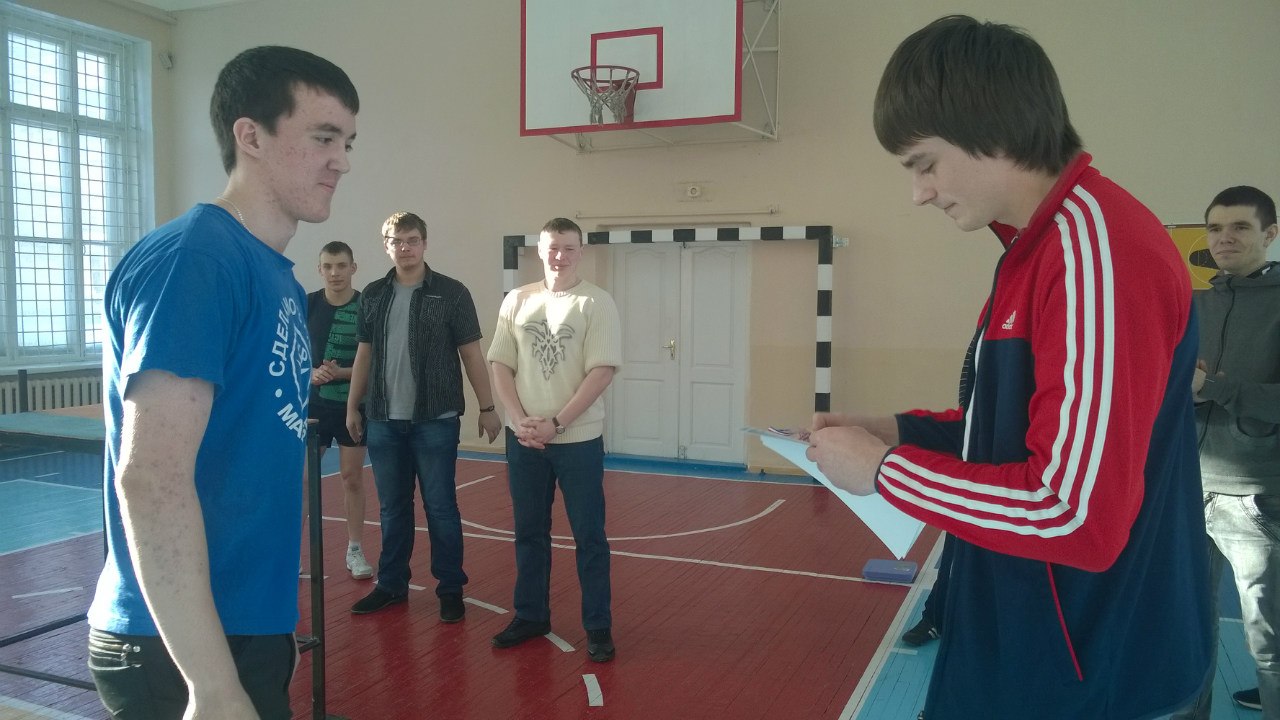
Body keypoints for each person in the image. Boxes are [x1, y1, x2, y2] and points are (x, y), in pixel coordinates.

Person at [804, 16, 1212, 719]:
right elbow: (1022, 431)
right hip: (1030, 649)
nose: (919, 193)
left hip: (1089, 673)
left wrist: (883, 470)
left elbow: (1072, 515)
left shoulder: (1096, 254)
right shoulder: (1037, 250)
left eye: (925, 163)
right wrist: (894, 430)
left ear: (991, 130)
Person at [86, 46, 358, 719]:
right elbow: (150, 477)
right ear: (251, 136)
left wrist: (269, 629)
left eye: (347, 143)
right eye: (323, 138)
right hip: (172, 650)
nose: (342, 162)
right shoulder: (197, 259)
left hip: (243, 626)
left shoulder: (277, 277)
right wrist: (210, 682)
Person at [345, 211, 501, 621]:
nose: (405, 248)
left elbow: (472, 354)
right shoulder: (373, 295)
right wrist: (352, 405)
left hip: (435, 420)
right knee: (392, 509)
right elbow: (364, 354)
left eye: (412, 240)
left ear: (424, 243)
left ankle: (450, 589)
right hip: (383, 420)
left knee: (441, 507)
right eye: (397, 241)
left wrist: (487, 408)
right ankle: (391, 584)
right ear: (387, 246)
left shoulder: (452, 293)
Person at [487, 217, 622, 663]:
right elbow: (500, 364)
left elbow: (601, 371)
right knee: (529, 532)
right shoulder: (517, 300)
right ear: (540, 251)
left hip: (578, 441)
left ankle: (598, 626)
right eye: (552, 248)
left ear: (580, 252)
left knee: (589, 536)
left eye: (568, 247)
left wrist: (558, 424)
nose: (559, 256)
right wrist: (519, 419)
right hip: (524, 440)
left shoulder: (596, 303)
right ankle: (531, 615)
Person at [1177, 186, 1280, 718]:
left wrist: (1214, 387)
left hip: (1255, 498)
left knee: (1268, 642)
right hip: (1188, 488)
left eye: (1240, 227)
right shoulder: (1196, 303)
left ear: (1270, 233)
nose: (1224, 238)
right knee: (1188, 630)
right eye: (1215, 228)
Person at [306, 240, 373, 580]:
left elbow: (372, 363)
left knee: (351, 477)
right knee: (304, 479)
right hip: (314, 408)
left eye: (341, 266)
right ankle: (289, 553)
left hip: (353, 408)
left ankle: (355, 549)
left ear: (353, 268)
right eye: (328, 266)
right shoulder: (307, 304)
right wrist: (310, 373)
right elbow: (291, 353)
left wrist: (340, 373)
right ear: (320, 270)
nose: (335, 273)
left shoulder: (366, 307)